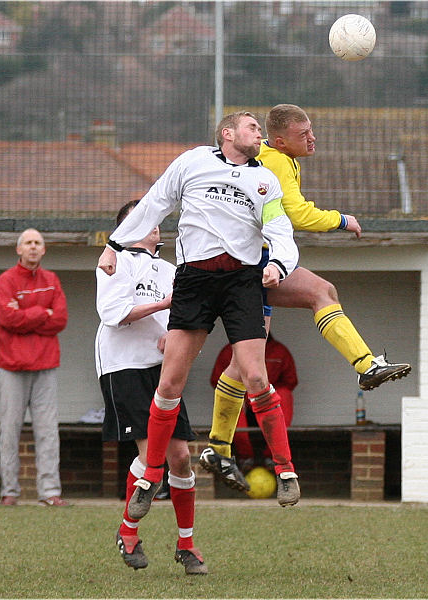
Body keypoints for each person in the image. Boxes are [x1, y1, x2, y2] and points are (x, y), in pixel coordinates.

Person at [97, 110, 301, 517]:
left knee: (256, 375)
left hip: (243, 281)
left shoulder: (265, 180)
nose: (259, 133)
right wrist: (114, 245)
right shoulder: (193, 161)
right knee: (170, 382)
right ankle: (149, 475)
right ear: (227, 133)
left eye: (260, 129)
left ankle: (286, 470)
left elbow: (281, 231)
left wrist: (279, 263)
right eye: (252, 127)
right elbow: (154, 203)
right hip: (194, 281)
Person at [209, 105, 411, 486]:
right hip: (253, 265)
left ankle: (217, 447)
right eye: (304, 134)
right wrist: (341, 219)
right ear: (281, 139)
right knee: (317, 296)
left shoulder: (272, 158)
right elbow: (298, 214)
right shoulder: (276, 162)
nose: (313, 138)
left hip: (255, 263)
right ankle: (365, 366)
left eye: (311, 131)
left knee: (247, 361)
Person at [96, 200, 207, 575]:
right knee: (152, 457)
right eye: (141, 221)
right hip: (123, 365)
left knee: (181, 458)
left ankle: (187, 544)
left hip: (163, 369)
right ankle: (128, 531)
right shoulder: (114, 261)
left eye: (156, 222)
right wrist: (163, 304)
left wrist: (172, 332)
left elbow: (185, 314)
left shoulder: (170, 270)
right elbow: (113, 314)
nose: (152, 227)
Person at [0, 228, 69, 507]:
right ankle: (9, 492)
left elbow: (60, 319)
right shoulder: (6, 279)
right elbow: (7, 318)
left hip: (46, 364)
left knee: (48, 430)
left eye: (38, 243)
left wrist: (26, 312)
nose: (33, 247)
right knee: (10, 430)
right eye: (28, 243)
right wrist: (42, 312)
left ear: (44, 249)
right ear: (19, 249)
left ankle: (50, 491)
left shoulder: (52, 280)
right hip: (11, 366)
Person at [210, 333, 298, 472]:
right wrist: (243, 394)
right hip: (243, 398)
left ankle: (276, 457)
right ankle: (245, 457)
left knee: (285, 395)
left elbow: (290, 380)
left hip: (269, 398)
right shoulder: (230, 351)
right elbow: (217, 380)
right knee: (231, 399)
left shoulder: (279, 351)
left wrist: (268, 393)